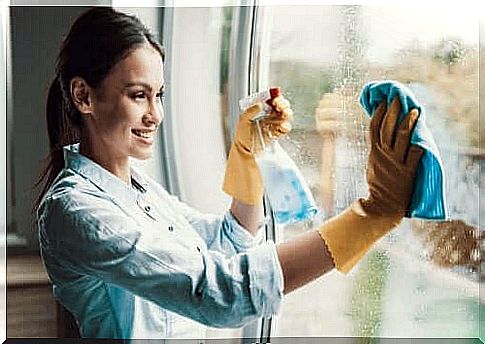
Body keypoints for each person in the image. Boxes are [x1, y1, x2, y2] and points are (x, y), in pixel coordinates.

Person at [35, 7, 423, 340]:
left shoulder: (139, 190)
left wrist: (246, 154)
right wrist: (370, 215)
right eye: (139, 95)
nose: (156, 114)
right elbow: (218, 293)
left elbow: (228, 241)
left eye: (161, 94)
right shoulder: (75, 210)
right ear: (84, 95)